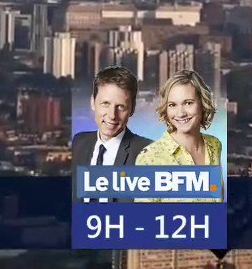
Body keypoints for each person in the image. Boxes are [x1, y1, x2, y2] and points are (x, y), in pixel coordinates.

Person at [135, 69, 224, 203]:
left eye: (188, 103)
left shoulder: (214, 145)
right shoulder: (150, 157)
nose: (180, 113)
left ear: (202, 103)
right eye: (172, 105)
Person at [72, 66, 153, 202]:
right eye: (105, 104)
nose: (112, 115)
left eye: (120, 107)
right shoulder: (79, 142)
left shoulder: (150, 154)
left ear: (132, 109)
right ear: (93, 103)